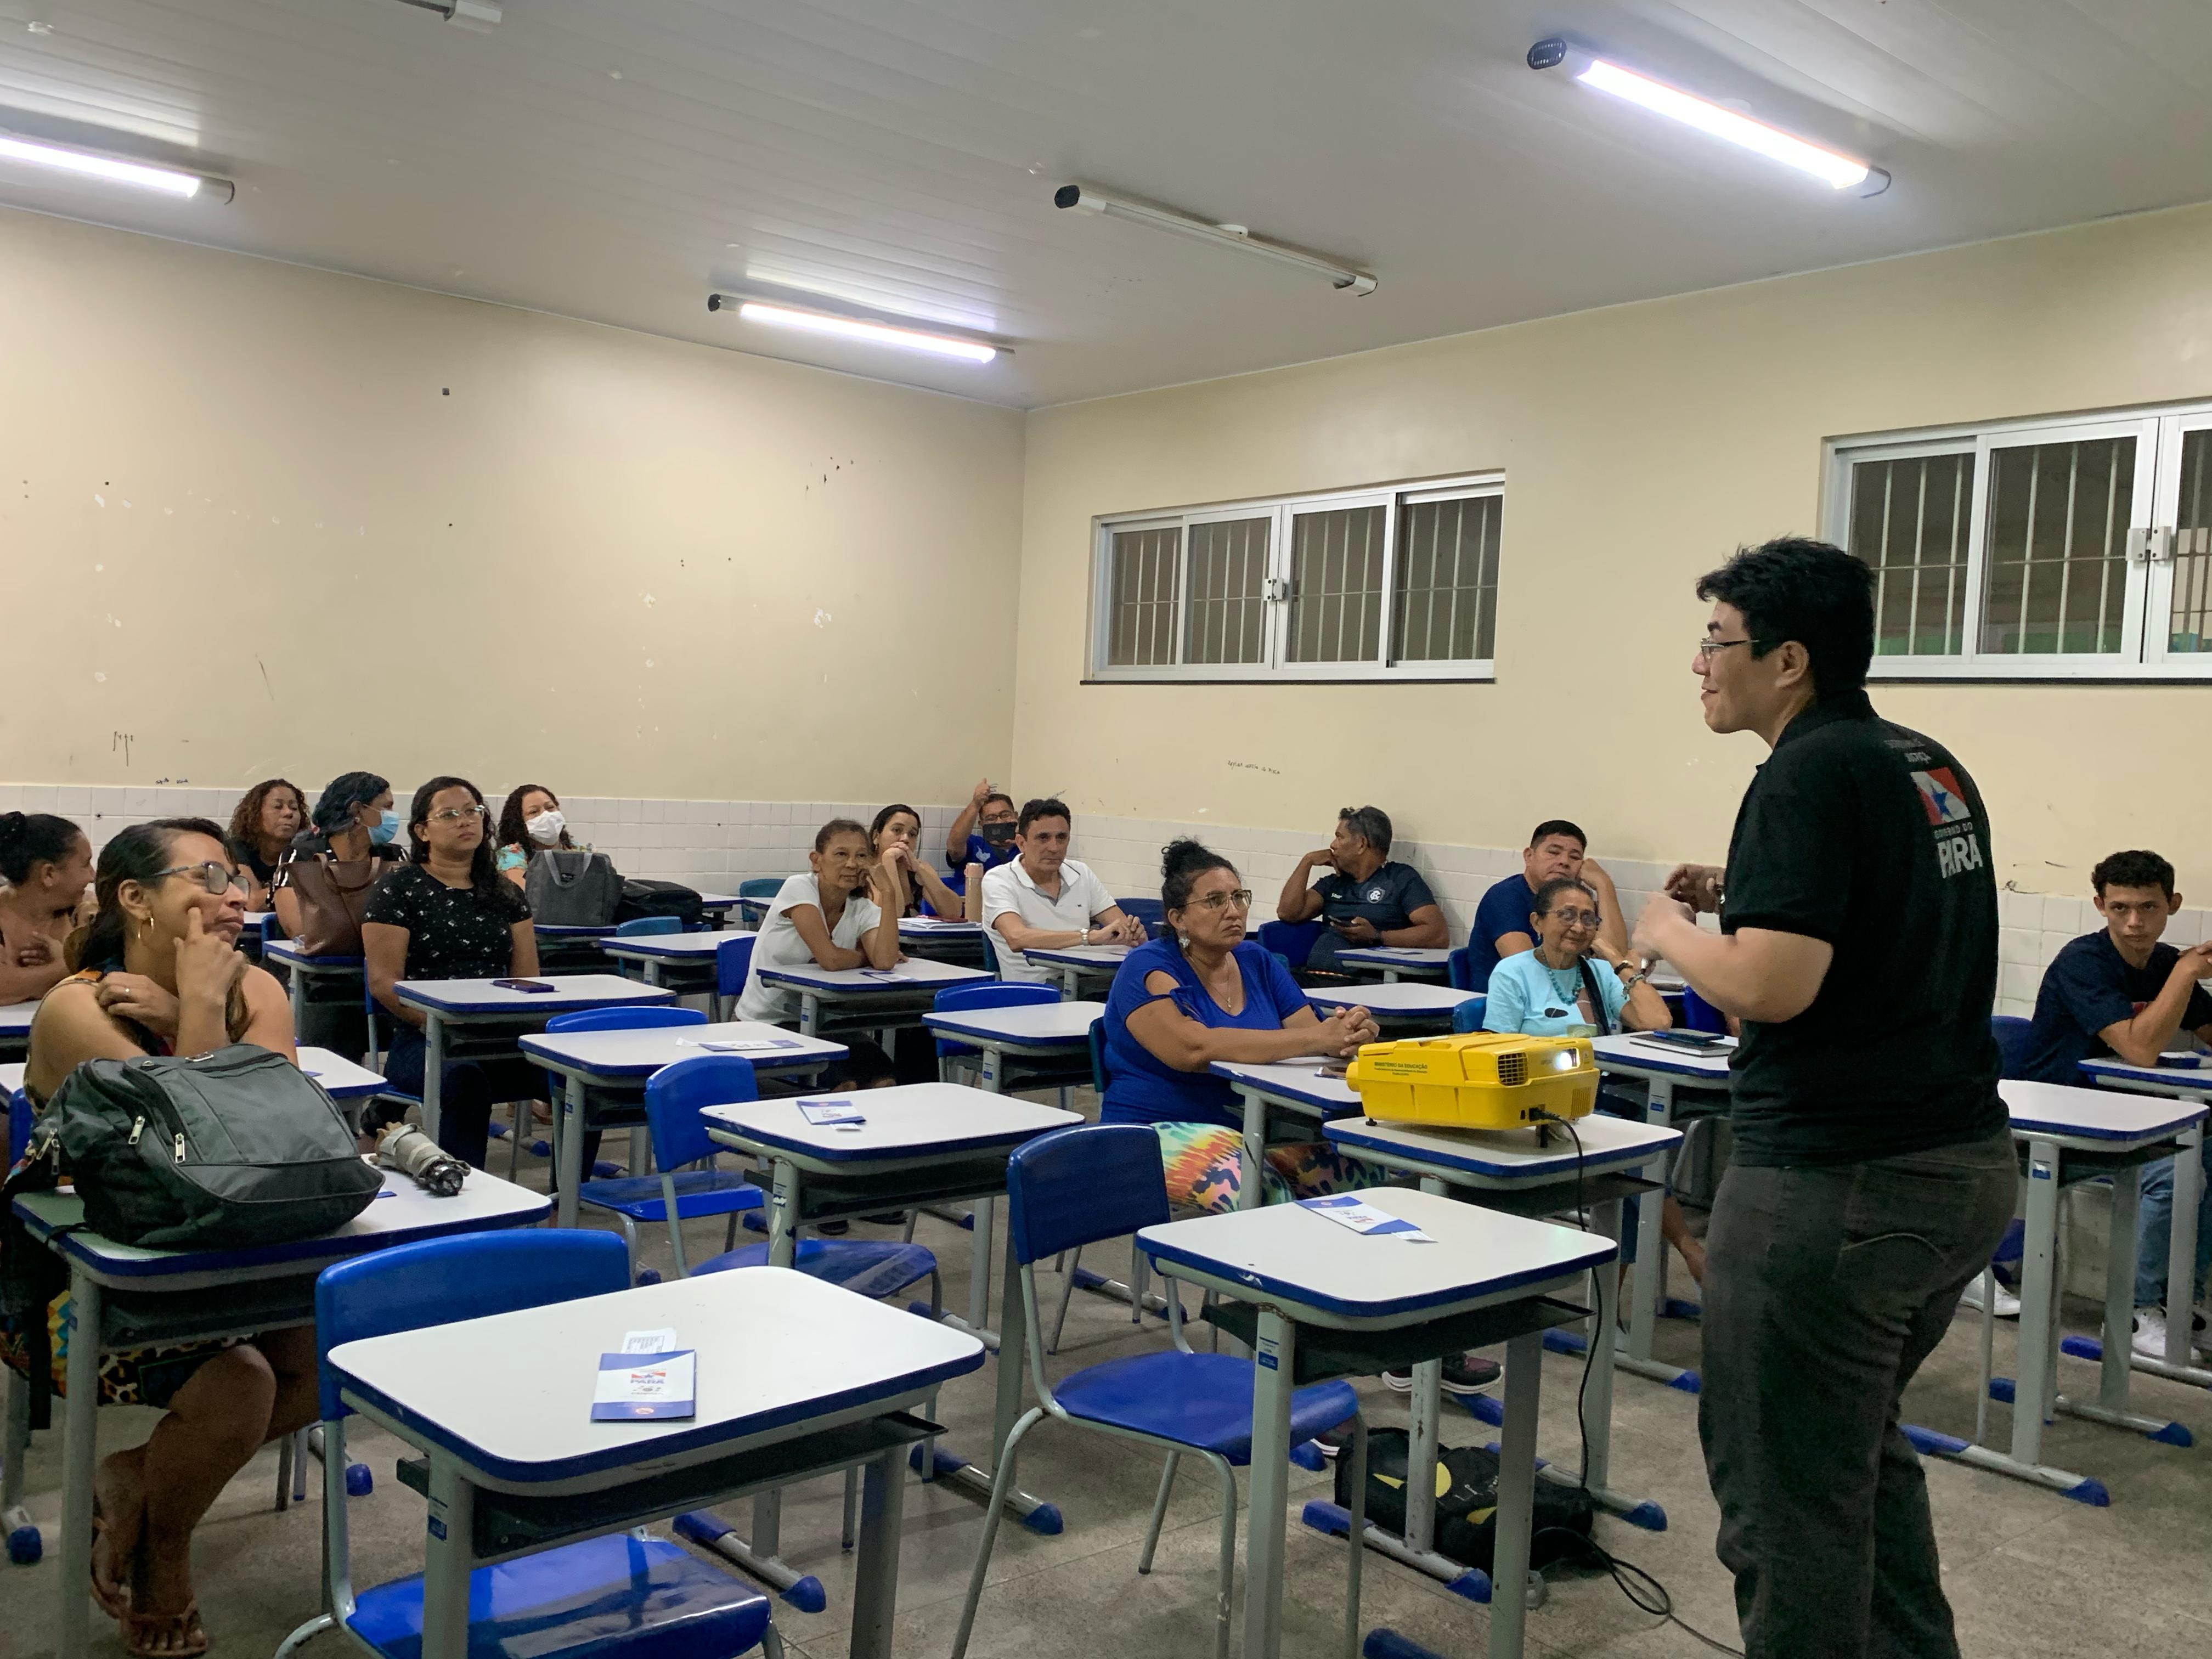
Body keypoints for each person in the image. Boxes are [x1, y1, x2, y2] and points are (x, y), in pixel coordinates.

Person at [1632, 537, 2013, 1659]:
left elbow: (1773, 986)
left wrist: (1664, 931)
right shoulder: (1920, 759)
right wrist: (1745, 884)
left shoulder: (1801, 774)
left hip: (1836, 1188)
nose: (1701, 664)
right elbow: (1878, 926)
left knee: (1787, 1502)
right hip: (1959, 1168)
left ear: (1787, 659)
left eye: (1717, 642)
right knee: (1853, 1452)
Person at [9, 818, 309, 1659]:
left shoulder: (260, 989)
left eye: (237, 880)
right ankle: (165, 1553)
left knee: (340, 1355)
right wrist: (208, 1006)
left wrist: (187, 1005)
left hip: (232, 1250)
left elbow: (275, 1131)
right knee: (243, 1383)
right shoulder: (78, 1007)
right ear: (134, 899)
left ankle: (138, 1479)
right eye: (206, 878)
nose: (233, 898)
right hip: (88, 1283)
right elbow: (201, 1154)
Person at [1100, 838, 1390, 1207]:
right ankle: (1250, 1266)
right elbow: (1193, 1048)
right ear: (1178, 918)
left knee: (1362, 1169)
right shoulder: (1149, 966)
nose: (1233, 911)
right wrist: (1317, 1039)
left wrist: (1349, 1034)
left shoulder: (1258, 961)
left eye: (1239, 897)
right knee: (1258, 1190)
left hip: (1251, 1126)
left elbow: (1313, 1036)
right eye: (1215, 901)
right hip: (1153, 1130)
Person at [2021, 848, 2212, 1360]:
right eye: (2121, 908)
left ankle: (2181, 1305)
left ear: (2171, 904)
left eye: (2148, 908)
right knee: (2174, 1172)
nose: (2134, 923)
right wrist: (2187, 975)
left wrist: (2182, 973)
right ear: (2100, 906)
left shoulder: (2167, 962)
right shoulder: (2083, 962)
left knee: (2209, 1154)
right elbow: (2140, 1050)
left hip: (2130, 1105)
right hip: (2064, 1109)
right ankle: (2132, 1313)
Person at [1486, 874, 1706, 1283]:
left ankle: (1613, 1312)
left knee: (1637, 1151)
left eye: (1589, 918)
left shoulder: (1598, 973)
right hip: (1544, 1105)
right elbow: (1500, 1054)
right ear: (1537, 921)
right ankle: (1686, 1253)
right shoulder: (1512, 973)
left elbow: (1657, 1021)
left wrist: (1614, 957)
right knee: (1633, 1158)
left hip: (1603, 1098)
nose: (1579, 926)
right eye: (1566, 915)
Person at [362, 777, 538, 1167]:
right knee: (464, 1079)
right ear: (423, 831)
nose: (466, 821)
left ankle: (567, 1201)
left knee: (571, 1072)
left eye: (473, 811)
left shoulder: (506, 893)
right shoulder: (399, 888)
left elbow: (526, 979)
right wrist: (438, 1025)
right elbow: (383, 982)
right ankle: (464, 1196)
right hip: (423, 1039)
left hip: (495, 1037)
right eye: (449, 815)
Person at [734, 818, 902, 1089]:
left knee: (884, 1081)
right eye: (841, 854)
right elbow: (831, 960)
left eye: (861, 856)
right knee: (844, 1085)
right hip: (768, 1023)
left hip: (826, 1024)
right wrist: (862, 955)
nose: (852, 864)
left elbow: (884, 961)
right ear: (816, 860)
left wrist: (889, 892)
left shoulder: (860, 906)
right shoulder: (799, 888)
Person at [980, 798, 1144, 983]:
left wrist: (1133, 933)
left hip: (1089, 983)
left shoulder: (1081, 873)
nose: (1054, 848)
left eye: (1061, 837)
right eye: (1043, 838)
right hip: (1034, 993)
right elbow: (1017, 937)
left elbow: (1123, 928)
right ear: (1021, 843)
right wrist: (1089, 937)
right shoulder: (999, 880)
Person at [1275, 805, 1447, 974]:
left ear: (1361, 844)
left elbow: (1438, 935)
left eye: (1340, 837)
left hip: (1363, 984)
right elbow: (1288, 913)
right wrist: (1307, 862)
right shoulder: (1334, 882)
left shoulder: (1401, 879)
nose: (1333, 845)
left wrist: (1377, 936)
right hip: (1315, 977)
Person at [1463, 820, 1629, 991]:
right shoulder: (1504, 897)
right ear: (1529, 856)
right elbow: (1530, 973)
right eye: (1554, 853)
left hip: (1562, 1000)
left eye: (1574, 857)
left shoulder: (1576, 902)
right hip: (1504, 1004)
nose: (1564, 861)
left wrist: (1604, 885)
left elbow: (1615, 958)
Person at [268, 770, 403, 941]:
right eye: (386, 807)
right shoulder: (301, 856)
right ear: (358, 812)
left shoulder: (395, 857)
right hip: (308, 963)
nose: (393, 815)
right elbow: (297, 928)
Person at [0, 811, 93, 1005]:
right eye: (85, 865)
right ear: (49, 874)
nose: (93, 876)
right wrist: (72, 964)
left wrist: (29, 980)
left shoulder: (88, 910)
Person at [221, 778, 306, 907]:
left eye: (294, 808)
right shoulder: (237, 848)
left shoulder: (305, 850)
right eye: (278, 807)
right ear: (255, 814)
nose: (288, 813)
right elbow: (251, 901)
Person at [493, 783, 579, 890]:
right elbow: (524, 894)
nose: (546, 815)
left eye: (550, 808)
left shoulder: (580, 851)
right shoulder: (512, 855)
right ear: (520, 824)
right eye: (534, 812)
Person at [944, 778, 1022, 881]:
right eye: (991, 818)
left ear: (1015, 816)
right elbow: (954, 848)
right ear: (982, 824)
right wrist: (976, 803)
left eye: (1005, 815)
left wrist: (1023, 847)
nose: (999, 822)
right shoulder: (974, 844)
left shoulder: (1026, 846)